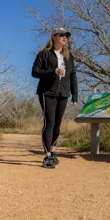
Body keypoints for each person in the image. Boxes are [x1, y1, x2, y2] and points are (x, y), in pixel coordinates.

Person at [31, 27, 78, 168]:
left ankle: (53, 151)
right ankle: (47, 156)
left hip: (63, 93)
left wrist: (75, 94)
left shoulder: (69, 56)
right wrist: (52, 72)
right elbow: (34, 72)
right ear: (54, 37)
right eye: (62, 35)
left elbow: (73, 76)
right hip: (47, 92)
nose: (65, 37)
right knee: (49, 123)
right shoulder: (44, 53)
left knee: (57, 124)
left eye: (66, 36)